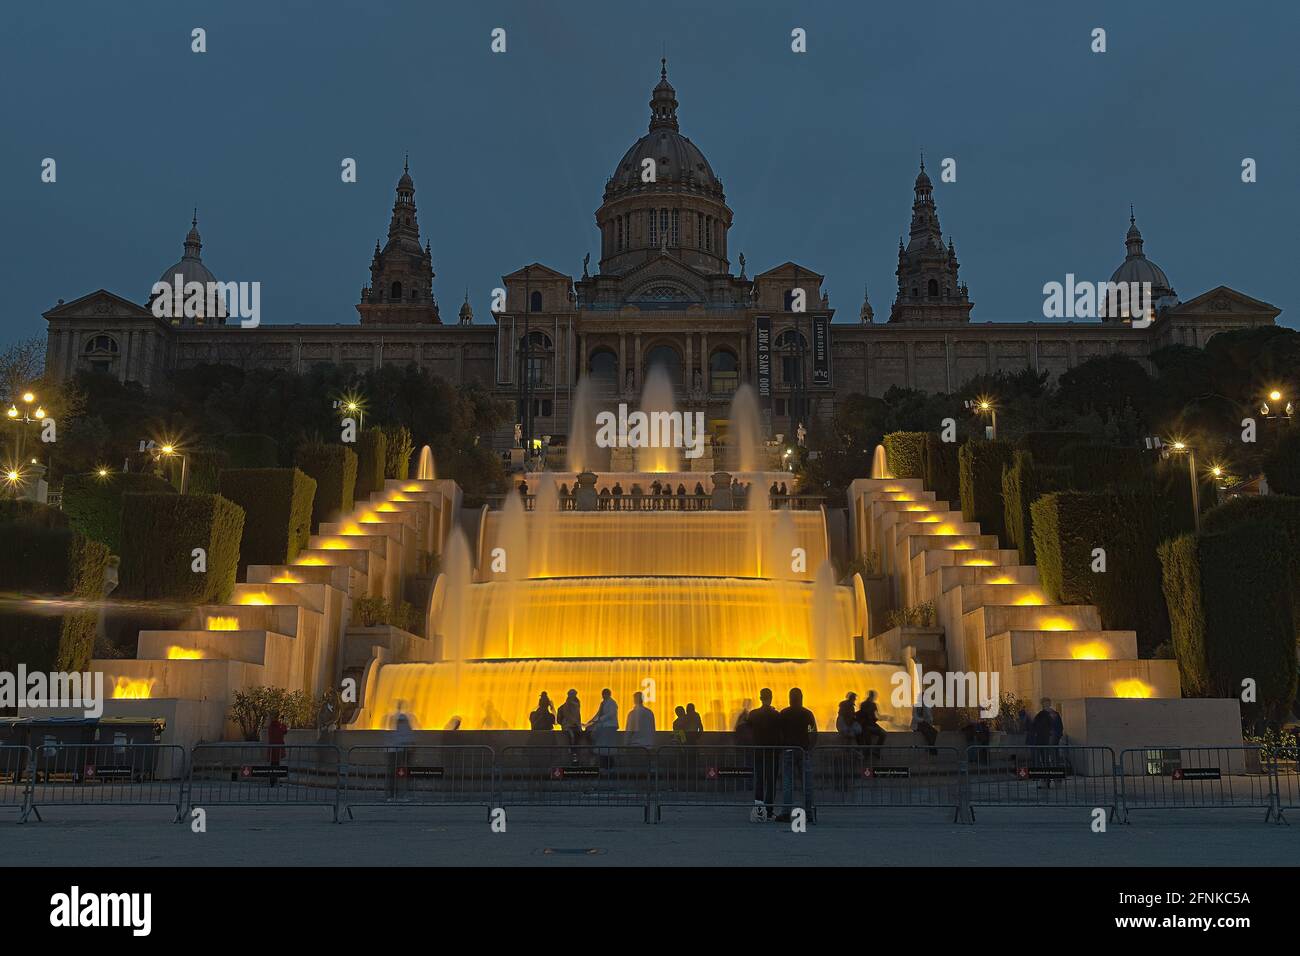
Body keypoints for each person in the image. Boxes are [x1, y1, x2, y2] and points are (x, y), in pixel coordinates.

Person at [777, 688, 818, 820]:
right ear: (801, 698)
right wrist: (809, 748)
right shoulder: (807, 714)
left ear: (789, 698)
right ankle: (809, 813)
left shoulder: (784, 713)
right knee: (806, 784)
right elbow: (812, 732)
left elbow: (780, 732)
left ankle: (786, 812)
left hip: (788, 750)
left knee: (788, 782)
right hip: (803, 751)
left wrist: (782, 746)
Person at [748, 688, 782, 822]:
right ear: (771, 697)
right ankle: (769, 811)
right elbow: (780, 732)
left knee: (759, 781)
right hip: (772, 752)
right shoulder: (776, 715)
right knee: (771, 782)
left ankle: (758, 811)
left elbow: (749, 730)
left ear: (760, 698)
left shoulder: (753, 714)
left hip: (758, 751)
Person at [857, 689, 887, 760]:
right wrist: (884, 718)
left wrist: (884, 717)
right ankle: (875, 750)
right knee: (882, 734)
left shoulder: (868, 704)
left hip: (869, 725)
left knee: (880, 735)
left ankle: (874, 751)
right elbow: (874, 716)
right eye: (874, 696)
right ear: (872, 696)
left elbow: (876, 716)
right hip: (867, 725)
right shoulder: (869, 704)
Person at [557, 689, 585, 761]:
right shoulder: (565, 707)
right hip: (569, 726)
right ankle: (573, 752)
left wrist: (578, 724)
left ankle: (574, 753)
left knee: (576, 737)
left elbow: (577, 716)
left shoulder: (575, 703)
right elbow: (567, 716)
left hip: (574, 726)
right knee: (572, 737)